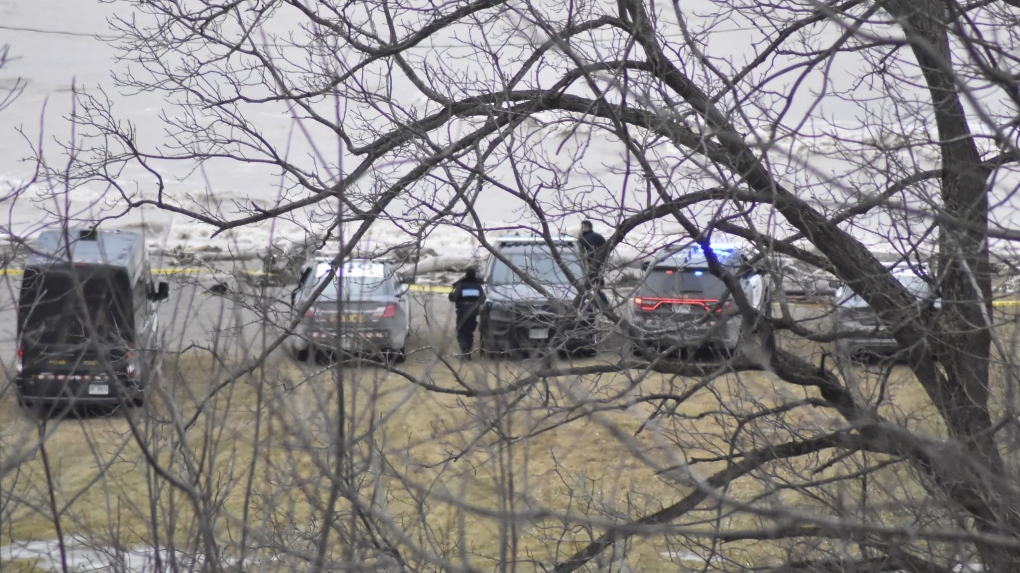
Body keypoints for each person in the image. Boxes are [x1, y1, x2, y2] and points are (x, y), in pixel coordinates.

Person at [449, 267, 485, 359]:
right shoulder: (478, 286)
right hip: (473, 311)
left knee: (461, 331)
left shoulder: (461, 285)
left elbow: (452, 298)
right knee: (469, 331)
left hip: (462, 310)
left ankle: (465, 349)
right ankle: (468, 350)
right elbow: (483, 298)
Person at [578, 220, 609, 305]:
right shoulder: (598, 236)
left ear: (586, 227)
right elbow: (607, 250)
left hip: (587, 267)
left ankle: (603, 304)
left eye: (582, 227)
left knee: (590, 288)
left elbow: (580, 254)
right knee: (596, 288)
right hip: (598, 266)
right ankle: (604, 304)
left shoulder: (582, 239)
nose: (580, 229)